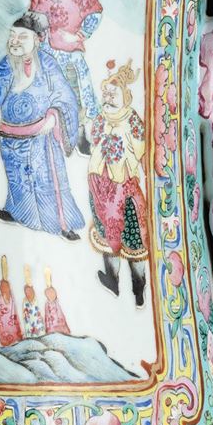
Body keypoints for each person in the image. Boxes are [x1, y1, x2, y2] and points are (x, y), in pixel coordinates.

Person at [0, 13, 85, 241]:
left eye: (22, 37)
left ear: (37, 39)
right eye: (12, 36)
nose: (14, 41)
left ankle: (59, 224)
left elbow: (64, 95)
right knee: (17, 182)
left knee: (45, 182)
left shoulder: (47, 64)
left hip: (40, 138)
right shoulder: (7, 63)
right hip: (10, 138)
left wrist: (54, 116)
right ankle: (18, 213)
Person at [30, 0, 102, 154]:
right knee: (48, 93)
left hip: (73, 53)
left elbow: (95, 13)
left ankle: (80, 134)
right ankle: (49, 137)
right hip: (48, 53)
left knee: (78, 93)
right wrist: (44, 38)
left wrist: (79, 35)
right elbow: (34, 18)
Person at [88, 59, 149, 306]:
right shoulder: (101, 118)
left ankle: (139, 285)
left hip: (124, 189)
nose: (109, 98)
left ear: (126, 96)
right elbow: (93, 141)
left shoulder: (131, 119)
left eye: (114, 94)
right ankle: (111, 278)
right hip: (100, 186)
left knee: (133, 238)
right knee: (105, 231)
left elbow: (141, 148)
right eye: (106, 93)